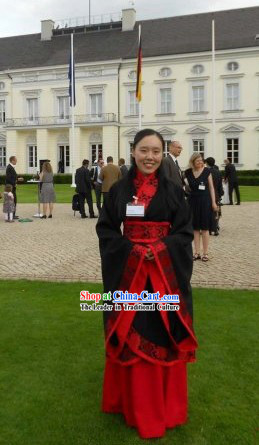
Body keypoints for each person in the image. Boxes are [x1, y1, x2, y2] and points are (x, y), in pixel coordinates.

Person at [96, 129, 198, 439]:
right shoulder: (118, 192)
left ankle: (166, 408)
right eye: (144, 150)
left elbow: (184, 233)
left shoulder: (172, 191)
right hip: (130, 276)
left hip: (163, 281)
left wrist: (159, 249)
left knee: (163, 334)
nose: (150, 157)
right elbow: (107, 230)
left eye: (155, 151)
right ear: (134, 151)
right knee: (130, 333)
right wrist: (133, 251)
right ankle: (130, 405)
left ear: (161, 153)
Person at [185, 153, 218, 262]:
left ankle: (205, 253)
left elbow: (211, 188)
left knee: (205, 228)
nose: (200, 162)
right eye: (198, 160)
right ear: (193, 161)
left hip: (205, 201)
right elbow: (184, 187)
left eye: (201, 160)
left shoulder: (207, 171)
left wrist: (213, 203)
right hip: (193, 201)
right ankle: (196, 252)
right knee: (195, 228)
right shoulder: (188, 172)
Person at [205, 157, 224, 236]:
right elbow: (220, 185)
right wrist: (220, 194)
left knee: (207, 212)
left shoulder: (205, 172)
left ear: (207, 163)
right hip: (216, 194)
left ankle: (209, 229)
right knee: (215, 212)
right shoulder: (218, 172)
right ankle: (215, 229)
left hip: (207, 194)